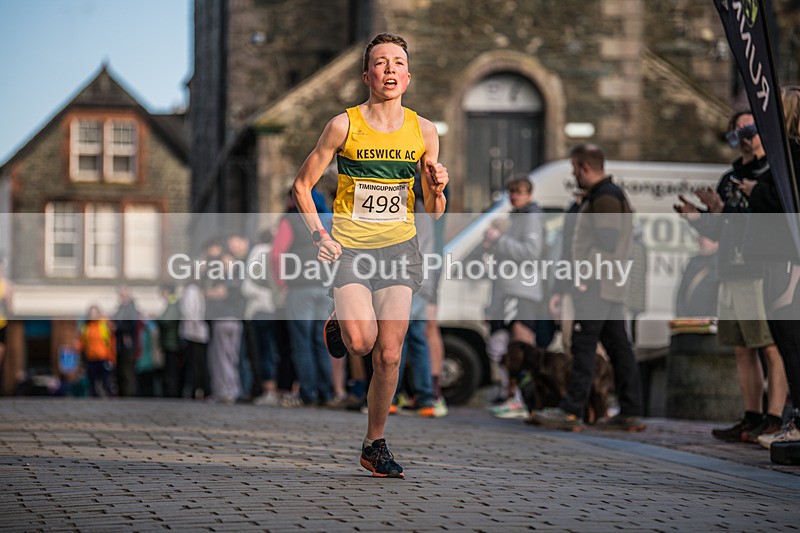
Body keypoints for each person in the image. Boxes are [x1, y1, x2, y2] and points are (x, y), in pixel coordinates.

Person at [290, 33, 448, 478]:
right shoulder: (343, 125)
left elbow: (434, 213)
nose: (390, 69)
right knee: (360, 343)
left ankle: (374, 442)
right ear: (367, 76)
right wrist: (319, 234)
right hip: (352, 248)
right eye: (381, 62)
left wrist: (437, 190)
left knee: (389, 354)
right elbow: (302, 186)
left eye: (398, 62)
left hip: (400, 249)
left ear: (408, 76)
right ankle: (340, 322)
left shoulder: (425, 131)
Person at [674, 110, 788, 444]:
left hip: (759, 268)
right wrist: (698, 218)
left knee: (769, 345)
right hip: (731, 267)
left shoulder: (772, 173)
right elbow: (721, 228)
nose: (743, 135)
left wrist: (725, 213)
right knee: (741, 348)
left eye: (748, 128)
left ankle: (775, 417)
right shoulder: (729, 178)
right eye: (737, 130)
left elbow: (768, 221)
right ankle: (750, 416)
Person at [530, 144, 645, 432]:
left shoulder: (605, 197)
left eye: (574, 169)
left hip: (595, 284)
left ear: (584, 167)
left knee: (583, 347)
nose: (573, 174)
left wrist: (583, 277)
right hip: (607, 284)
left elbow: (607, 239)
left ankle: (572, 411)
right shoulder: (603, 195)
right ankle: (630, 410)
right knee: (619, 347)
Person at [746, 86, 800, 452]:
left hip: (786, 261)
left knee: (789, 343)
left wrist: (754, 191)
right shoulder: (785, 155)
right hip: (777, 258)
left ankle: (794, 420)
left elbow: (788, 207)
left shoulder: (791, 157)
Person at [483, 177, 546, 419]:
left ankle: (523, 398)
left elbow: (531, 252)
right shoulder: (517, 215)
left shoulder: (531, 216)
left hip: (522, 291)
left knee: (522, 349)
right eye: (511, 192)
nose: (514, 196)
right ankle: (513, 396)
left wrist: (499, 240)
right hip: (509, 290)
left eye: (519, 192)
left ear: (529, 194)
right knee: (500, 346)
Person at [271, 192, 333, 406]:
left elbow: (277, 254)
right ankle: (326, 392)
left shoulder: (290, 220)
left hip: (299, 287)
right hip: (325, 286)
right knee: (322, 341)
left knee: (302, 343)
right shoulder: (330, 219)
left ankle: (308, 392)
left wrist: (281, 283)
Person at [242, 228, 280, 406]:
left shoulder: (257, 252)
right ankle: (281, 390)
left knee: (263, 352)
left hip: (260, 309)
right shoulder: (280, 251)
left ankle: (268, 390)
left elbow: (247, 285)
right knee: (279, 351)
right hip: (280, 309)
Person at [179, 268, 210, 400]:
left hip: (195, 332)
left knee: (196, 363)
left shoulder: (192, 290)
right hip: (198, 331)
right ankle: (200, 389)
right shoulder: (196, 290)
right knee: (199, 362)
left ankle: (197, 389)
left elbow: (189, 311)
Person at [78, 304, 116, 398]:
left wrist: (112, 357)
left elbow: (111, 342)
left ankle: (111, 401)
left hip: (103, 358)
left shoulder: (104, 325)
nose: (92, 315)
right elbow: (81, 343)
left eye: (95, 313)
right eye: (91, 313)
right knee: (92, 384)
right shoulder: (85, 327)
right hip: (90, 358)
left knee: (106, 382)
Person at [156, 283, 183, 398]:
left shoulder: (172, 303)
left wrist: (156, 319)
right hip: (171, 342)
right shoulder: (172, 302)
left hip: (171, 343)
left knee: (171, 370)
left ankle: (172, 393)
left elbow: (167, 321)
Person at [112, 285, 139, 397]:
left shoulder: (131, 308)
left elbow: (132, 325)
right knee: (120, 372)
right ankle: (122, 394)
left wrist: (117, 327)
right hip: (119, 345)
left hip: (127, 345)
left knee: (127, 372)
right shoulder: (120, 307)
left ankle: (128, 395)